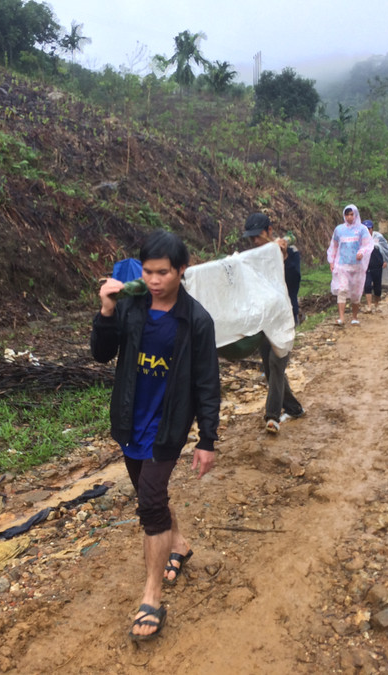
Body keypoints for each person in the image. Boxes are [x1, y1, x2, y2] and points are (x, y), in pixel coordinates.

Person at [91, 230, 220, 642]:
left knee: (148, 502)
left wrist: (207, 439)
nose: (153, 280)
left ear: (182, 271)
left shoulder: (196, 320)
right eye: (147, 272)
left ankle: (151, 596)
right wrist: (106, 310)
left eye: (163, 272)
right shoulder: (132, 307)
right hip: (130, 420)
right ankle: (178, 544)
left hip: (168, 427)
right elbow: (101, 353)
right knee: (155, 500)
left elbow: (206, 383)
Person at [243, 213, 306, 434]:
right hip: (264, 320)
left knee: (277, 364)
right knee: (271, 370)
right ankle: (294, 408)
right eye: (251, 238)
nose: (254, 241)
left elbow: (293, 283)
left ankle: (272, 416)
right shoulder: (255, 257)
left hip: (285, 319)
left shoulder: (290, 254)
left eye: (257, 236)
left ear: (269, 231)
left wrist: (284, 256)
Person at [328, 204, 374, 326]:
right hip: (342, 265)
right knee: (342, 290)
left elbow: (368, 244)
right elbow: (334, 246)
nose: (349, 217)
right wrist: (331, 261)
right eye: (347, 214)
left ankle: (354, 316)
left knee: (356, 292)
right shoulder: (339, 230)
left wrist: (361, 252)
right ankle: (341, 318)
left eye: (351, 214)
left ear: (356, 215)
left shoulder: (362, 230)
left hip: (357, 266)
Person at [362, 220, 388, 312]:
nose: (367, 231)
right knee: (367, 285)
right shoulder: (360, 239)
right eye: (365, 229)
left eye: (369, 228)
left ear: (372, 229)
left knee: (377, 286)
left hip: (378, 265)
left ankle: (376, 304)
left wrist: (386, 260)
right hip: (366, 266)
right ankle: (369, 306)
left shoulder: (378, 237)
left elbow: (386, 249)